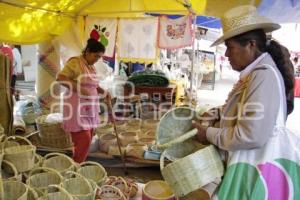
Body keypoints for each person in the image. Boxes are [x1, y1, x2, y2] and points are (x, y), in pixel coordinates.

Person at [192, 5, 295, 197]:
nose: (226, 55)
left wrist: (209, 134)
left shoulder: (263, 77)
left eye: (230, 48)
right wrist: (218, 113)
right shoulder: (254, 75)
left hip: (255, 171)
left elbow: (250, 135)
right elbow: (243, 110)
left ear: (251, 45)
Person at [57, 38, 110, 163]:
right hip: (76, 107)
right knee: (84, 140)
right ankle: (75, 167)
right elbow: (60, 78)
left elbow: (94, 85)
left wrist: (104, 92)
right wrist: (79, 88)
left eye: (99, 57)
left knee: (88, 138)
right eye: (96, 56)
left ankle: (78, 165)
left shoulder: (91, 67)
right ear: (87, 51)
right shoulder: (75, 62)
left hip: (89, 108)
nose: (97, 59)